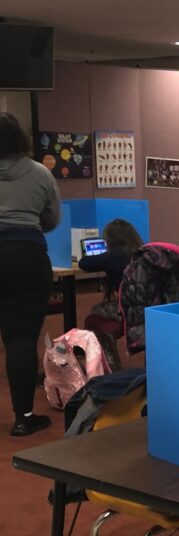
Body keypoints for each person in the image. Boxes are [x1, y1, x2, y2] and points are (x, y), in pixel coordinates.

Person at [0, 112, 61, 436]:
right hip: (26, 256)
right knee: (21, 339)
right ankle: (23, 418)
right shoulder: (40, 173)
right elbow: (51, 219)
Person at [78, 218, 143, 369]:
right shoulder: (143, 252)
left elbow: (84, 263)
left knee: (94, 316)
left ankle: (110, 366)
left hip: (129, 310)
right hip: (151, 307)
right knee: (99, 309)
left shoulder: (113, 255)